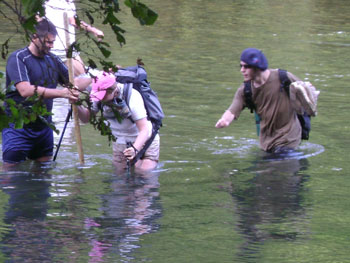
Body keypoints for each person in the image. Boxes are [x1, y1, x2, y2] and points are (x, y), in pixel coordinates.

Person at [1, 19, 90, 166]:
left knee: (43, 176)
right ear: (34, 37)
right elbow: (25, 90)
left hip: (44, 127)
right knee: (12, 176)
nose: (51, 46)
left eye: (53, 42)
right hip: (18, 127)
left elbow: (73, 83)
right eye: (47, 42)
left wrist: (95, 77)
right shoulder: (18, 58)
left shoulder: (52, 59)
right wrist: (62, 93)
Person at [215, 48, 316, 153]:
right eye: (241, 66)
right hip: (266, 145)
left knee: (281, 165)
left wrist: (307, 99)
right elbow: (232, 110)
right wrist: (224, 121)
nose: (242, 70)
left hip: (289, 141)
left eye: (246, 66)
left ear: (257, 67)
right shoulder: (245, 90)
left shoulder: (283, 77)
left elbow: (307, 92)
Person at [77, 72, 160, 171]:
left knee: (144, 175)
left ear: (113, 91)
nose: (100, 98)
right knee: (119, 180)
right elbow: (86, 118)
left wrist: (134, 149)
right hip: (120, 141)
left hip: (145, 140)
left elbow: (144, 129)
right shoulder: (98, 98)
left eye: (103, 95)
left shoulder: (132, 96)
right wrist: (76, 104)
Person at [44, 0, 104, 77]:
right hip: (64, 51)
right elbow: (74, 22)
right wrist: (94, 30)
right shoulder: (63, 3)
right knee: (84, 79)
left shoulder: (45, 2)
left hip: (49, 49)